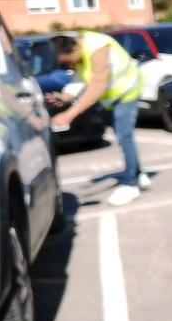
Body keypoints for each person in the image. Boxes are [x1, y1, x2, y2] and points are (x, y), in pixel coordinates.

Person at [50, 31, 148, 205]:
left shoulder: (97, 48)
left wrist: (69, 114)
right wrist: (64, 97)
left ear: (74, 48)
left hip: (127, 91)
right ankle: (138, 175)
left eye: (68, 61)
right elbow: (81, 77)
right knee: (123, 137)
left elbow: (98, 85)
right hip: (112, 99)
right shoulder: (80, 51)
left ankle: (131, 184)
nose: (69, 65)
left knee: (124, 137)